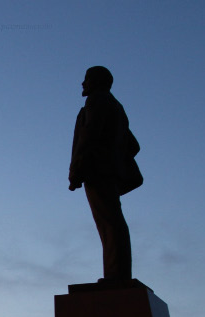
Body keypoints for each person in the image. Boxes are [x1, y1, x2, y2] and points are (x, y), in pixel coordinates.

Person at [69, 66, 142, 282]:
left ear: (97, 81)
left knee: (109, 222)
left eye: (86, 79)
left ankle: (116, 275)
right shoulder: (115, 106)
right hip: (109, 171)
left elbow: (89, 135)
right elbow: (133, 145)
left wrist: (77, 170)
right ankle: (117, 274)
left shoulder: (97, 101)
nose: (83, 84)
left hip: (98, 171)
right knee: (112, 221)